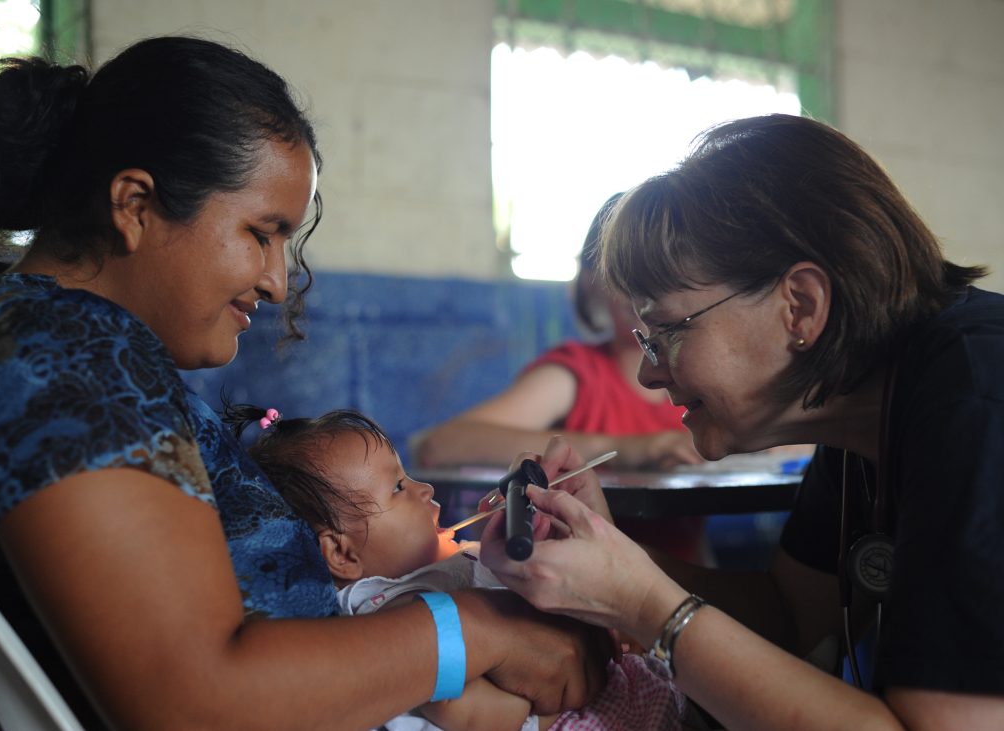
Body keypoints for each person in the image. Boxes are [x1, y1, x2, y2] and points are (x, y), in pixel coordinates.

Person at [0, 37, 609, 731]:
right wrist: (476, 628)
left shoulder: (71, 344)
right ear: (135, 205)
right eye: (261, 232)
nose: (278, 282)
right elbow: (196, 699)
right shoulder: (64, 353)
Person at [477, 114, 1004, 730]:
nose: (649, 375)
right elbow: (786, 615)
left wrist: (644, 605)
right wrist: (606, 547)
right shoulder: (864, 419)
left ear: (800, 306)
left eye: (668, 332)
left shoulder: (975, 396)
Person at [226, 404, 687, 731]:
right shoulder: (397, 610)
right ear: (343, 555)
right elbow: (458, 710)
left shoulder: (432, 571)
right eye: (399, 488)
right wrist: (547, 716)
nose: (424, 488)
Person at [413, 194, 709, 562]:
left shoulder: (704, 373)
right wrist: (631, 449)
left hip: (688, 579)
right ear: (589, 283)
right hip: (579, 580)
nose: (642, 289)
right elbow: (441, 445)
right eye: (622, 271)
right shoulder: (577, 374)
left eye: (661, 268)